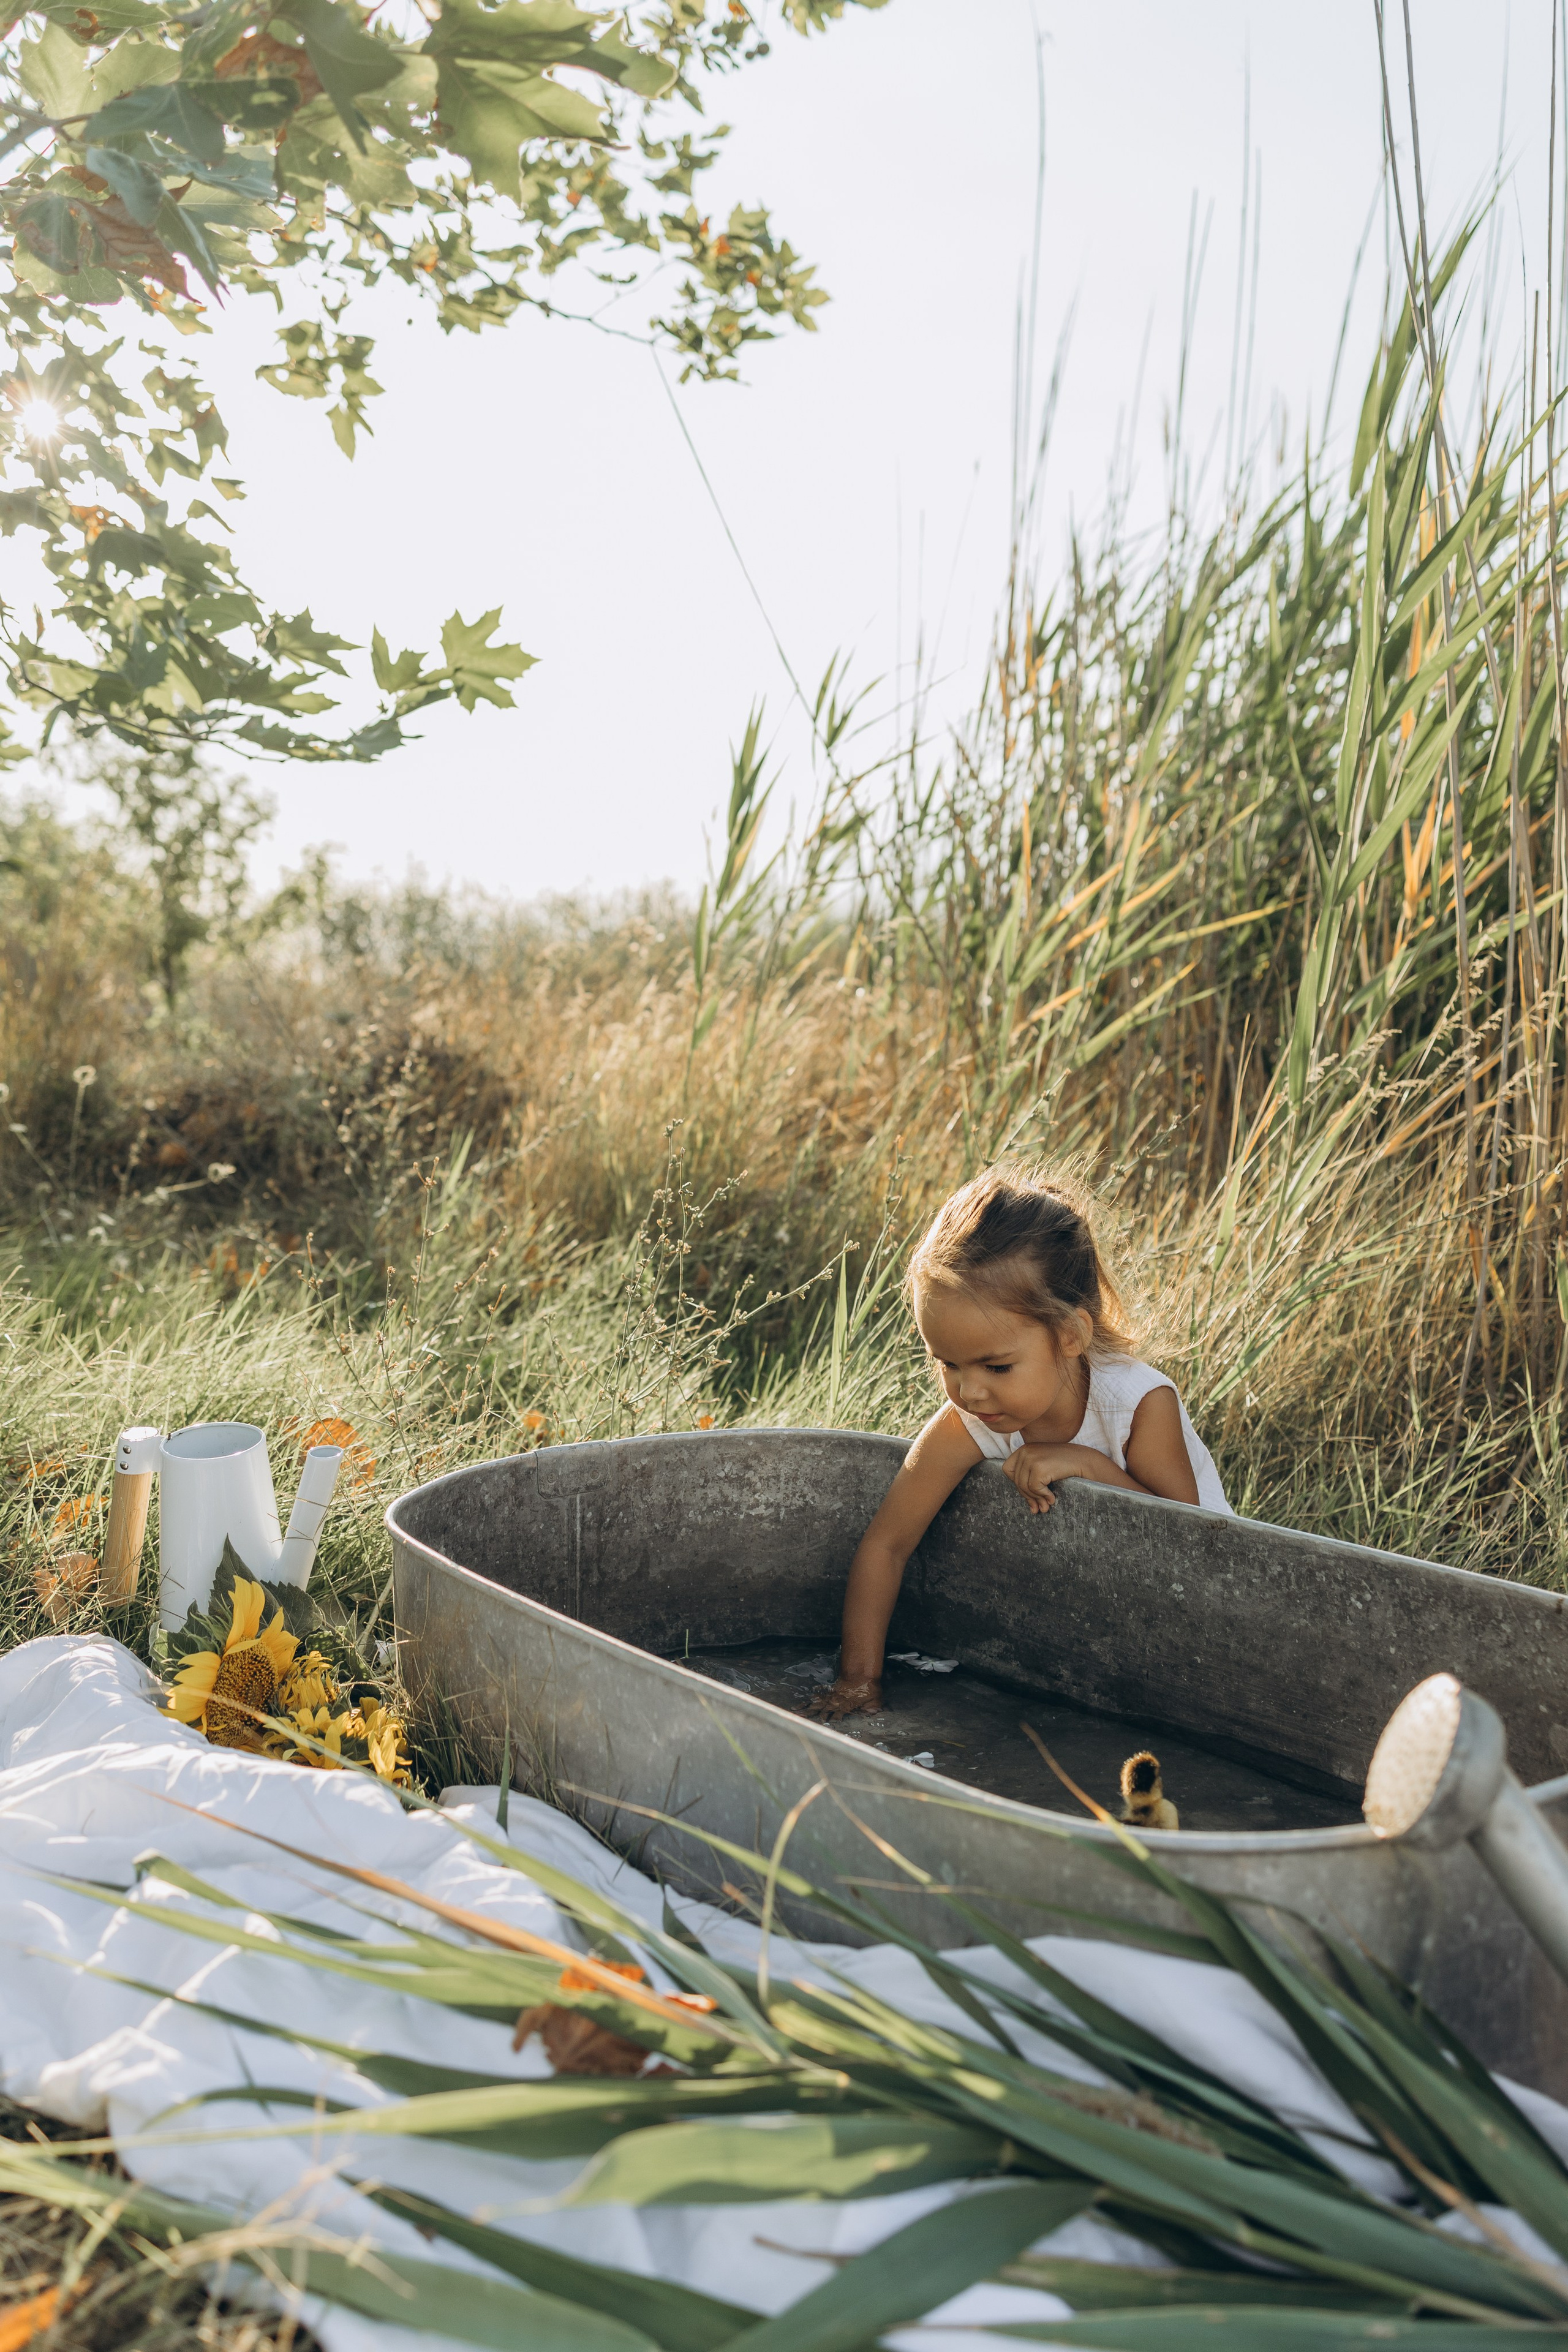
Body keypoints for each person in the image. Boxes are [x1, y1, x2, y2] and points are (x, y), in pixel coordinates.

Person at [807, 1165, 1231, 1723]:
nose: (969, 1390)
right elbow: (886, 1546)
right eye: (948, 1363)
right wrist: (859, 1679)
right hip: (1085, 1608)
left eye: (997, 1365)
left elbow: (1186, 1541)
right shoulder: (970, 1419)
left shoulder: (1136, 1403)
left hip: (1204, 1611)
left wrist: (1088, 1464)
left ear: (1070, 1336)